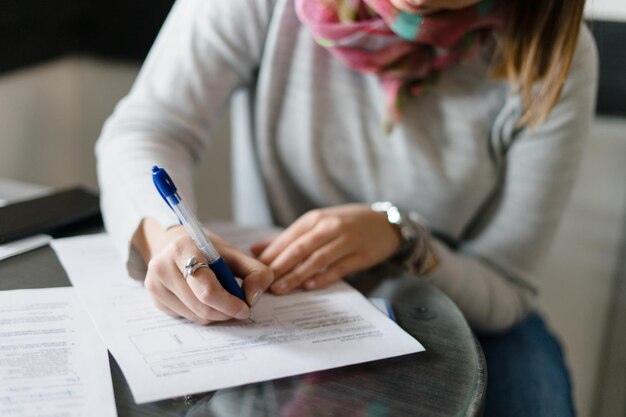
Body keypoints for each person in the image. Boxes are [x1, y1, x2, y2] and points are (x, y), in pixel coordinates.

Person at [96, 0, 597, 415]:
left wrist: (402, 236)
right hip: (278, 308)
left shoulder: (556, 55)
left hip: (464, 310)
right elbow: (149, 127)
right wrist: (164, 233)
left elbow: (505, 289)